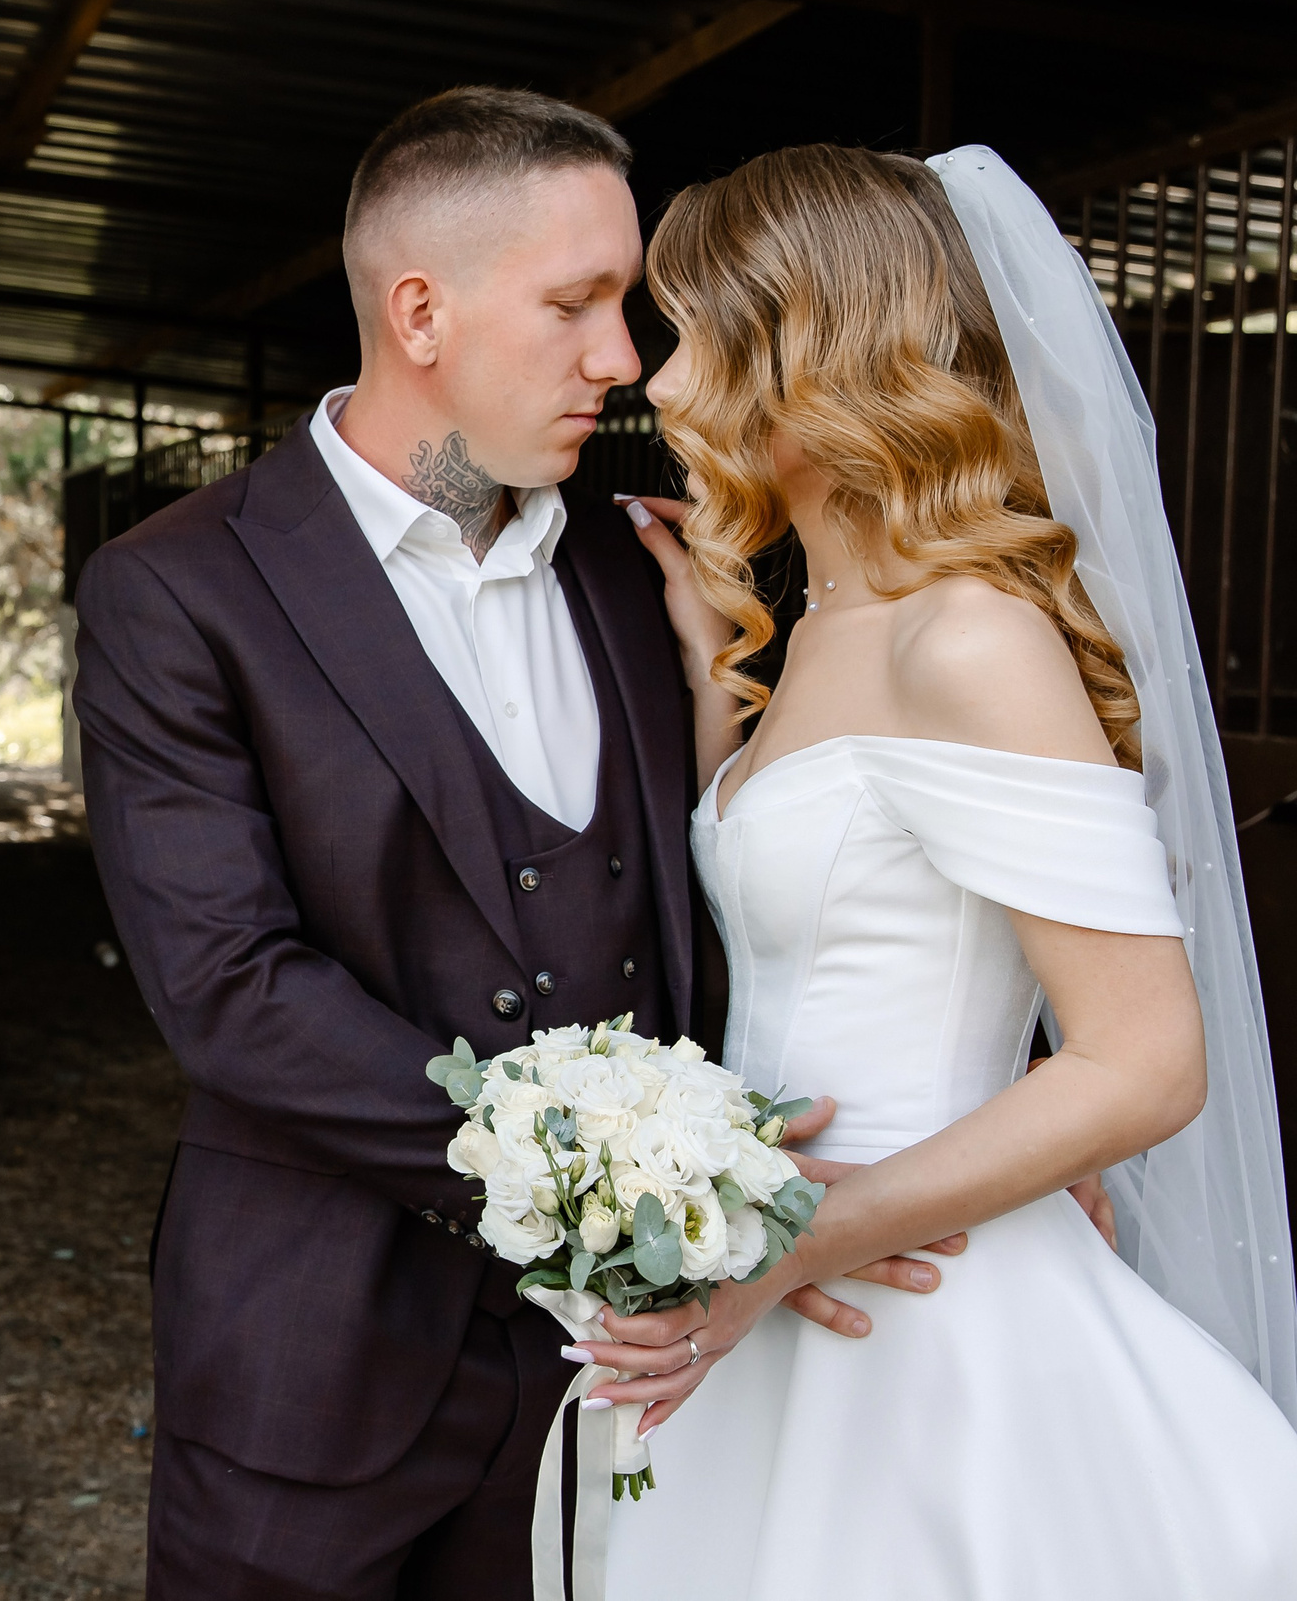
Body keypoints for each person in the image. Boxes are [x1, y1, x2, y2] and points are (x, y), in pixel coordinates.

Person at [71, 88, 949, 1600]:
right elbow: (229, 983)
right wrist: (613, 1185)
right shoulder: (179, 592)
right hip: (313, 1358)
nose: (625, 361)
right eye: (578, 304)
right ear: (420, 310)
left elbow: (804, 876)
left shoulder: (644, 568)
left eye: (627, 304)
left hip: (619, 1386)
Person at [582, 143, 1297, 1598]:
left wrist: (796, 1242)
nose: (656, 385)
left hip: (926, 1306)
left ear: (817, 352)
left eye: (697, 336)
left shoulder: (964, 634)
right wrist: (712, 676)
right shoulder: (829, 619)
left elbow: (1146, 1062)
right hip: (771, 1292)